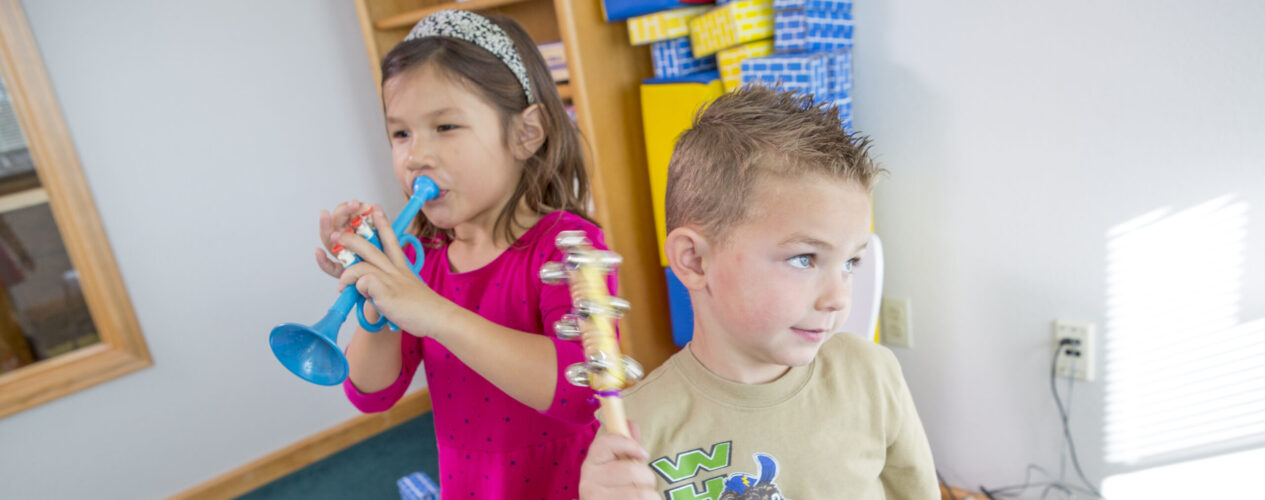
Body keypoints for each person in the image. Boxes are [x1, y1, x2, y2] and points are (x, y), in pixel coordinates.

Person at [578, 86, 938, 499]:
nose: (838, 298)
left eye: (850, 263)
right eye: (804, 258)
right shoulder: (634, 431)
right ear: (694, 260)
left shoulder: (873, 375)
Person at [317, 10, 610, 498]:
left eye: (446, 126)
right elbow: (371, 394)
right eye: (401, 134)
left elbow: (582, 393)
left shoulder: (569, 245)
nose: (415, 156)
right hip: (470, 485)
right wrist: (375, 295)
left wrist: (433, 312)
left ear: (526, 133)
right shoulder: (425, 259)